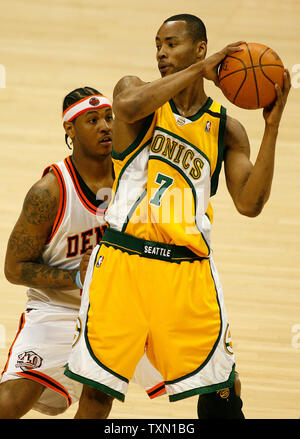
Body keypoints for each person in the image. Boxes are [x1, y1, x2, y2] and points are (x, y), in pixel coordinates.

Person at [65, 14, 291, 419]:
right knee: (97, 398)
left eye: (172, 44)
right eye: (158, 45)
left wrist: (272, 128)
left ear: (201, 47)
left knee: (224, 389)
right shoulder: (135, 94)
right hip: (124, 264)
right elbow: (127, 106)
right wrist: (198, 72)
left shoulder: (227, 128)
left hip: (187, 271)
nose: (161, 53)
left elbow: (250, 204)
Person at [0, 86, 165, 418]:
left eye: (108, 118)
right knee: (12, 401)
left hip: (120, 310)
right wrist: (77, 276)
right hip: (58, 308)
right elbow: (15, 269)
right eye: (92, 120)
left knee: (100, 397)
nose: (105, 126)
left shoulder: (134, 176)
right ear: (70, 130)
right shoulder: (48, 192)